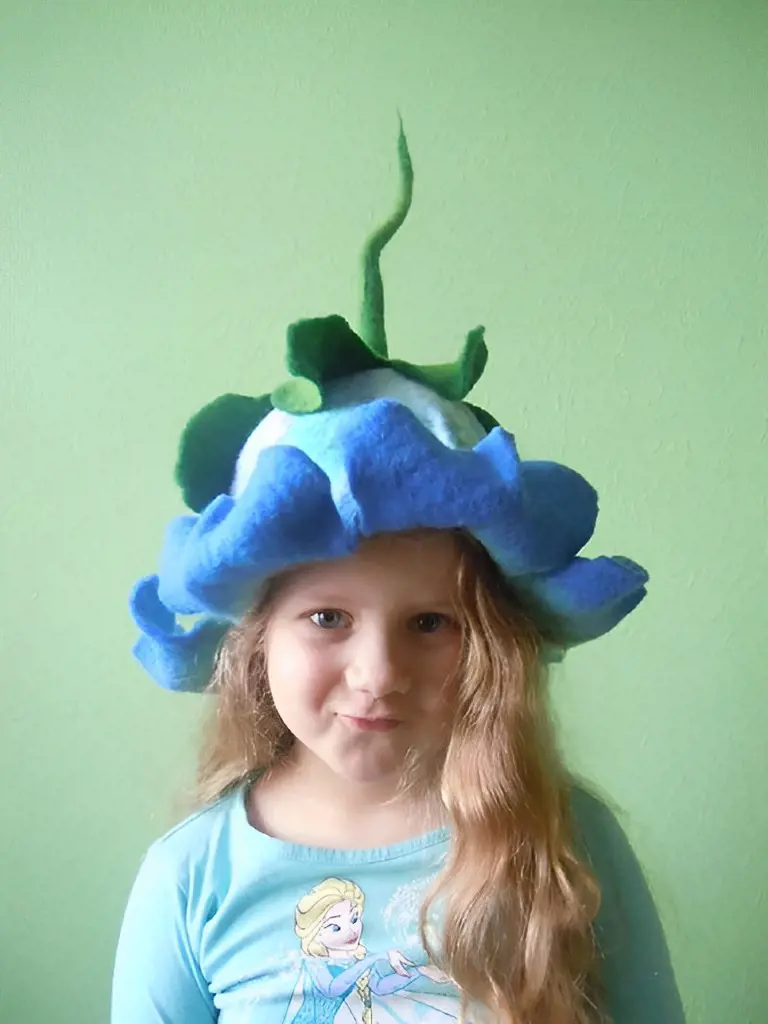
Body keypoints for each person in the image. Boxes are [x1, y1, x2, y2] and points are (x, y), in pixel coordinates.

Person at [112, 124, 686, 1023]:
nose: (377, 674)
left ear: (491, 645)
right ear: (256, 636)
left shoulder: (567, 846)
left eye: (431, 623)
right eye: (327, 619)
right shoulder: (190, 878)